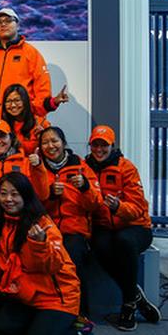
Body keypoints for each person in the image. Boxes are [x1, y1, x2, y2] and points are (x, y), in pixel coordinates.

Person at [0, 172, 88, 335]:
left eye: (15, 194)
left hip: (56, 297)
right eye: (3, 193)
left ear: (26, 195)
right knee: (1, 332)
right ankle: (41, 324)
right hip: (24, 295)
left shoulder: (43, 224)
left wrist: (39, 244)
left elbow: (53, 266)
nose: (8, 199)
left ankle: (80, 329)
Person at [85, 125, 160, 331]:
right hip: (104, 227)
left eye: (104, 145)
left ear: (112, 146)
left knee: (124, 242)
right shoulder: (85, 168)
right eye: (95, 144)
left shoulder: (126, 168)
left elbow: (139, 208)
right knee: (99, 245)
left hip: (135, 226)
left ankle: (128, 303)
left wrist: (119, 207)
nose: (99, 149)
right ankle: (135, 294)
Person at [38, 126, 101, 316]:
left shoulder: (81, 167)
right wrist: (50, 196)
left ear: (64, 143)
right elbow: (32, 205)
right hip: (48, 228)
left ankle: (80, 312)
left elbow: (95, 204)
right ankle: (51, 309)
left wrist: (85, 187)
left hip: (75, 229)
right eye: (45, 142)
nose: (51, 146)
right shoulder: (38, 169)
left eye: (55, 141)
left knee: (72, 258)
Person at [0, 7, 68, 116]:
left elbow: (42, 90)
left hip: (22, 119)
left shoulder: (31, 53)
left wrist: (36, 114)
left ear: (18, 25)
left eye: (8, 21)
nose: (3, 24)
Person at [1, 83, 50, 156]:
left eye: (17, 100)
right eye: (8, 101)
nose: (13, 105)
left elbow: (52, 150)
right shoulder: (1, 123)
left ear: (25, 101)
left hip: (35, 165)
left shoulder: (41, 124)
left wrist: (43, 139)